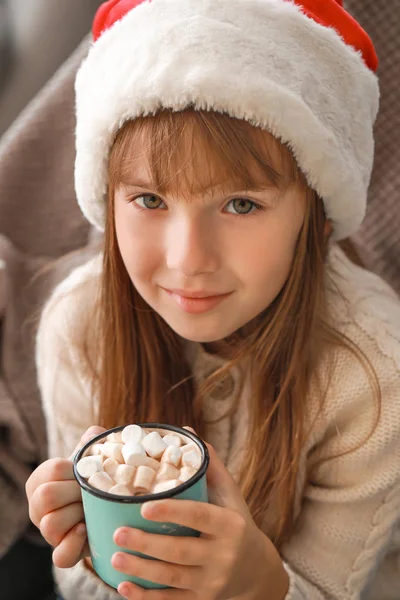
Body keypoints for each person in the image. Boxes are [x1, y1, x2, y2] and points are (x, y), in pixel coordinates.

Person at [25, 0, 400, 599]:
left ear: (319, 217)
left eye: (241, 204)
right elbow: (76, 580)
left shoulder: (375, 378)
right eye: (149, 200)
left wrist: (263, 587)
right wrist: (95, 554)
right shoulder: (79, 325)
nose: (187, 259)